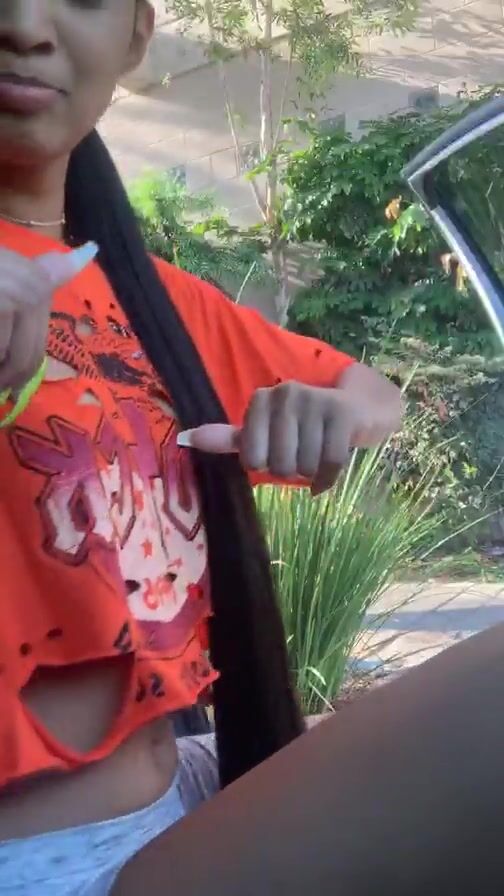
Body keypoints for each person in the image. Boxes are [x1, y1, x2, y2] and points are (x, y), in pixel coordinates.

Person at [0, 2, 401, 894]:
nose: (25, 25)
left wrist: (323, 416)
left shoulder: (146, 297)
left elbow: (376, 395)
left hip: (183, 791)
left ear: (136, 36)